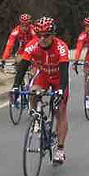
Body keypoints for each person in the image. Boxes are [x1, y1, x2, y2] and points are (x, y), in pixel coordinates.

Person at [12, 16, 69, 165]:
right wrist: (16, 86)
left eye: (46, 36)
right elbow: (23, 67)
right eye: (39, 35)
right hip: (43, 75)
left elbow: (64, 72)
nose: (42, 39)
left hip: (58, 78)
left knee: (60, 110)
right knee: (33, 91)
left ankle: (60, 149)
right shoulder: (32, 45)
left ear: (53, 34)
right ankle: (37, 117)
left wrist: (61, 91)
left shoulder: (61, 47)